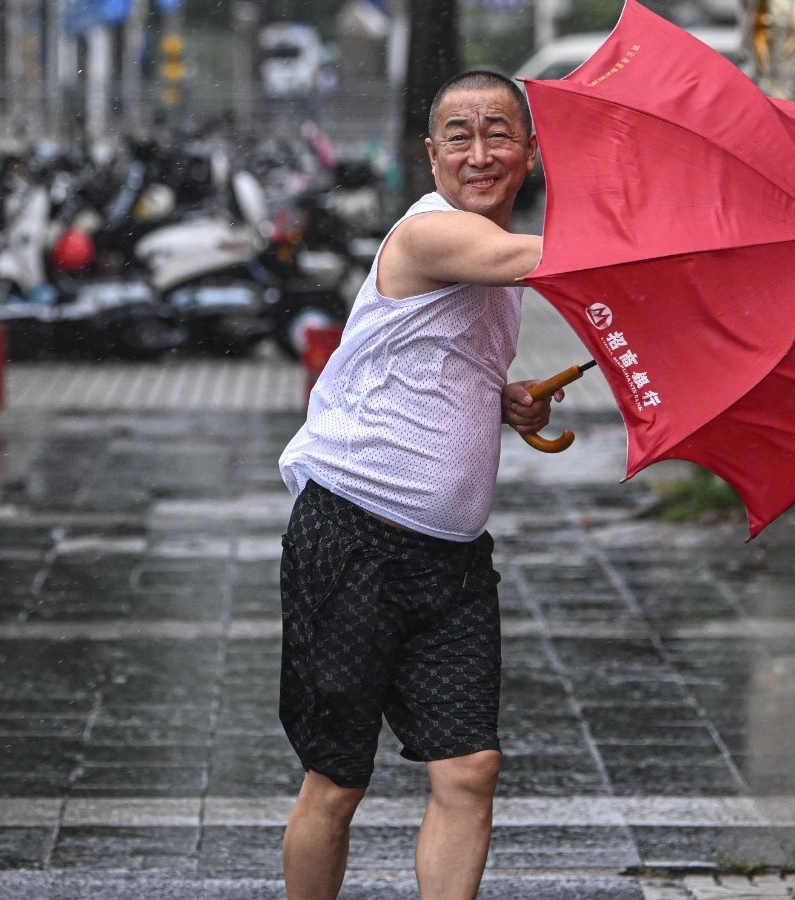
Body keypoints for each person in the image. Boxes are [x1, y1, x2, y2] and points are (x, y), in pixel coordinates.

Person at [276, 69, 554, 900]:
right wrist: (681, 230)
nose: (480, 153)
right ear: (432, 155)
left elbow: (441, 359)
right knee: (338, 779)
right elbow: (523, 259)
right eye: (459, 136)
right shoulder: (429, 233)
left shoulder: (490, 275)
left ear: (531, 152)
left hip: (453, 561)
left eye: (499, 133)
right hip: (352, 535)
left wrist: (508, 402)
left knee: (470, 767)